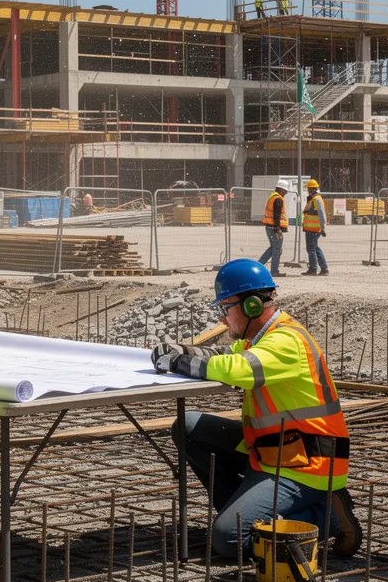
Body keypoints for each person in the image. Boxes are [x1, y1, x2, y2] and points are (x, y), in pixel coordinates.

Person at [153, 259, 361, 558]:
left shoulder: (287, 342)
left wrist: (176, 362)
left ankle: (327, 515)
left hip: (306, 465)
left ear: (251, 306)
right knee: (189, 427)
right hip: (274, 450)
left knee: (230, 539)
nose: (222, 320)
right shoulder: (260, 339)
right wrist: (181, 350)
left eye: (225, 309)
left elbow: (238, 369)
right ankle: (245, 513)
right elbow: (223, 354)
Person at [257, 180, 289, 277]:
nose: (286, 193)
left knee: (274, 249)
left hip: (270, 227)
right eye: (285, 190)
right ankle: (274, 271)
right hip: (274, 228)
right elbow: (277, 215)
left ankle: (259, 265)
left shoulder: (273, 197)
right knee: (276, 250)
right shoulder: (278, 199)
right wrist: (278, 229)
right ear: (280, 189)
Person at [301, 179, 329, 276]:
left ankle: (313, 269)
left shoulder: (316, 199)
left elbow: (321, 214)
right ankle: (324, 268)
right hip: (310, 228)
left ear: (313, 189)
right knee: (315, 248)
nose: (307, 190)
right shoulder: (313, 198)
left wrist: (322, 227)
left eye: (308, 188)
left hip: (313, 229)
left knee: (311, 249)